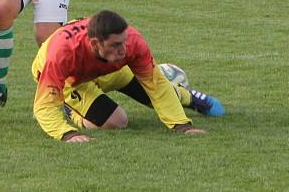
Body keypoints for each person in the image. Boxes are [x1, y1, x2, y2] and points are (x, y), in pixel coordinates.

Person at [32, 10, 224, 142]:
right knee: (117, 122)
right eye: (116, 45)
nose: (124, 49)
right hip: (73, 82)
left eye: (123, 42)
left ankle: (187, 96)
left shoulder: (130, 42)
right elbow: (44, 105)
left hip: (111, 69)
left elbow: (155, 84)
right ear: (94, 43)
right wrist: (67, 134)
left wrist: (182, 126)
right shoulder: (61, 54)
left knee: (155, 90)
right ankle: (72, 111)